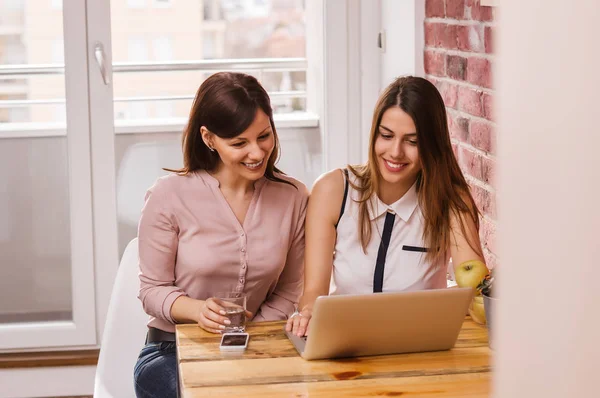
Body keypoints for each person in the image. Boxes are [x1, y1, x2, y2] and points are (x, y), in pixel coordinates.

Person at [134, 72, 308, 398]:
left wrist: (248, 337)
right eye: (239, 143)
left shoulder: (294, 197)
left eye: (264, 136)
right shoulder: (168, 195)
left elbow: (288, 292)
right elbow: (151, 291)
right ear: (209, 138)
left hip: (256, 346)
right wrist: (197, 310)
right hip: (171, 351)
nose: (256, 153)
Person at [286, 76, 487, 337]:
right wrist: (309, 314)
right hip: (345, 342)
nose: (395, 152)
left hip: (419, 344)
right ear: (374, 134)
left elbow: (476, 290)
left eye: (412, 142)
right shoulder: (332, 190)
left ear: (432, 145)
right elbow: (314, 290)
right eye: (386, 136)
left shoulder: (450, 201)